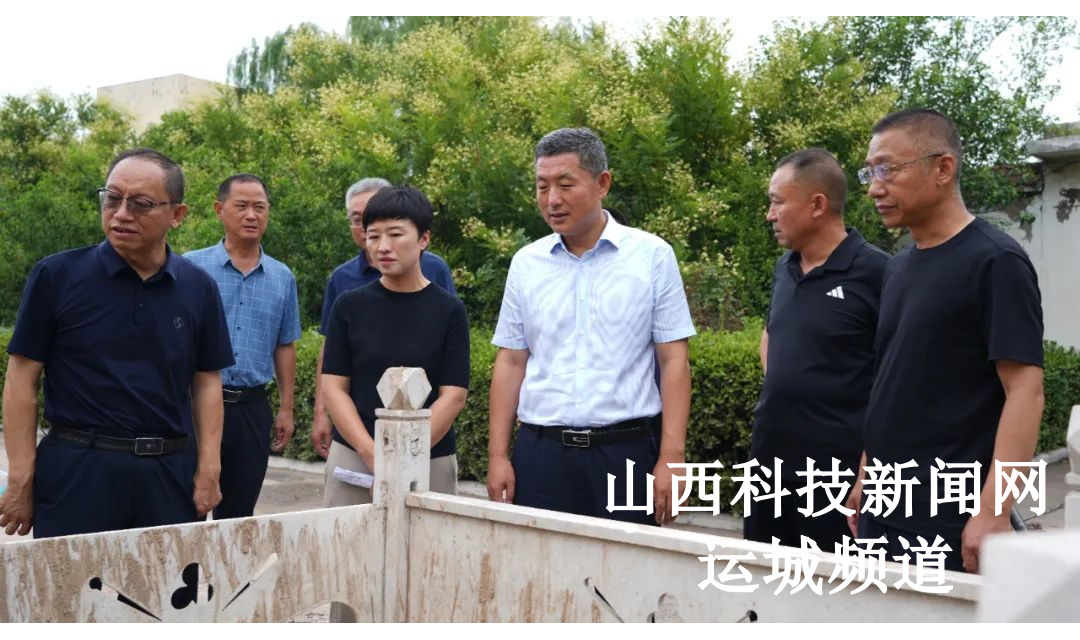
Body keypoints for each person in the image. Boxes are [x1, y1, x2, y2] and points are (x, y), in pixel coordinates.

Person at [845, 108, 1044, 573]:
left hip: (948, 513)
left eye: (888, 169)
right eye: (870, 173)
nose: (875, 188)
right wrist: (865, 475)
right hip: (885, 503)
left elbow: (1025, 391)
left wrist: (993, 510)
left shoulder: (995, 261)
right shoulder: (899, 266)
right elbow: (893, 380)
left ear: (943, 168)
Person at [0, 148, 234, 538]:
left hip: (168, 474)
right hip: (77, 472)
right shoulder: (56, 277)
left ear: (177, 215)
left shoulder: (198, 289)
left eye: (141, 204)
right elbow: (21, 379)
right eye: (112, 199)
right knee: (73, 578)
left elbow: (206, 382)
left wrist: (210, 467)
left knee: (167, 578)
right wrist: (21, 477)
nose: (122, 214)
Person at [486, 127, 696, 526]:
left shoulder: (652, 256)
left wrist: (672, 458)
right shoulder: (527, 264)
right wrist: (498, 456)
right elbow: (511, 361)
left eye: (565, 185)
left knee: (627, 564)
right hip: (541, 454)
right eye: (542, 186)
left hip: (625, 453)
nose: (552, 199)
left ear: (602, 184)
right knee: (540, 563)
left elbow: (673, 361)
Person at [745, 148, 888, 550]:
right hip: (769, 469)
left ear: (818, 205)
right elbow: (772, 334)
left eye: (777, 203)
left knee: (832, 586)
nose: (770, 215)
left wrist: (867, 474)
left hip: (837, 478)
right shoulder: (785, 268)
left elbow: (897, 383)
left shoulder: (877, 273)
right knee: (765, 580)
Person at [320, 185, 469, 508]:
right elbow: (334, 387)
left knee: (430, 542)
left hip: (429, 456)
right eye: (373, 236)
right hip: (357, 454)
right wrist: (374, 455)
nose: (383, 247)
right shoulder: (349, 306)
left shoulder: (449, 311)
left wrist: (405, 456)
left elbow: (454, 394)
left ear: (424, 239)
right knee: (347, 541)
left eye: (396, 234)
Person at [184, 174, 302, 519]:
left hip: (251, 408)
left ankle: (232, 560)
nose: (252, 215)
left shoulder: (282, 277)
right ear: (219, 210)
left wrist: (286, 407)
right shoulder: (191, 267)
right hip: (193, 404)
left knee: (238, 514)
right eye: (241, 206)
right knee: (185, 507)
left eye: (259, 207)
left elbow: (285, 344)